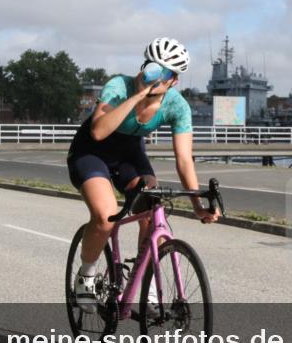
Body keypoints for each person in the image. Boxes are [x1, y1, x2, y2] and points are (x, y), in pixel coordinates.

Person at [67, 37, 219, 311]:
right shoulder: (118, 86)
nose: (156, 76)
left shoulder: (177, 106)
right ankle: (86, 275)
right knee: (106, 216)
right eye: (153, 67)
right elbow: (98, 131)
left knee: (153, 210)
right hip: (92, 151)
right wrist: (138, 94)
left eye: (165, 73)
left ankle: (143, 281)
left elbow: (184, 159)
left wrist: (197, 205)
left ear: (174, 81)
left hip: (130, 156)